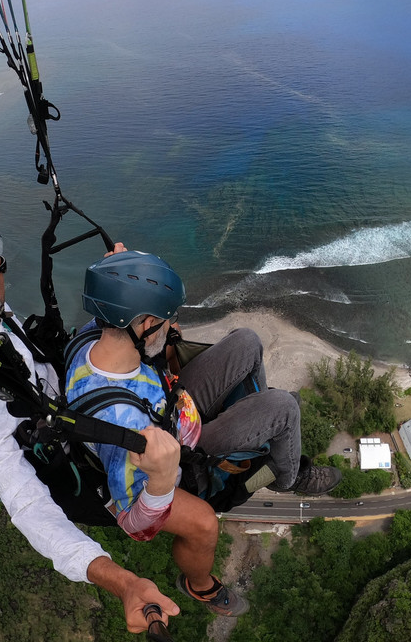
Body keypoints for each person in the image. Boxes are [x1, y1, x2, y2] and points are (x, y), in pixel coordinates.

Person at [0, 218, 179, 634]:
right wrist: (123, 583)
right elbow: (28, 506)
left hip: (60, 396)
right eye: (1, 269)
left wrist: (122, 291)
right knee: (199, 516)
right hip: (71, 461)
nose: (6, 274)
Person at [64, 250, 341, 616]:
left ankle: (263, 432)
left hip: (173, 409)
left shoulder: (92, 338)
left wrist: (122, 273)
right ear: (145, 324)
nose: (172, 325)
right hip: (183, 455)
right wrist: (162, 479)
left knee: (246, 341)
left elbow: (122, 307)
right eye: (167, 319)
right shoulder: (124, 427)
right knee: (284, 407)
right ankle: (285, 477)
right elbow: (135, 524)